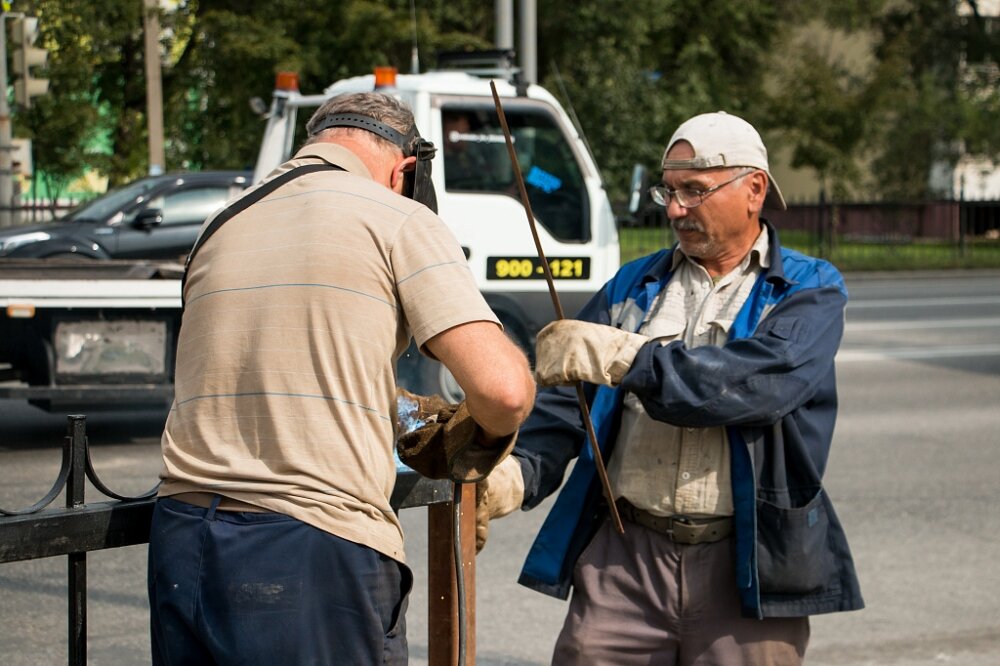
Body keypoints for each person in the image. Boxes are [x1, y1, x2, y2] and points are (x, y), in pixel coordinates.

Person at [147, 91, 535, 665]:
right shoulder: (397, 217)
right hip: (309, 546)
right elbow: (504, 390)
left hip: (183, 537)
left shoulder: (222, 222)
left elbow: (267, 357)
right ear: (405, 168)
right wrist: (479, 440)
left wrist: (384, 403)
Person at [476, 111, 864, 665]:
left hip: (746, 563)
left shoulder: (807, 288)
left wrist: (628, 356)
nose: (677, 208)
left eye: (695, 191)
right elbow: (569, 405)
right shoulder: (634, 286)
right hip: (625, 558)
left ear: (754, 190)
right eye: (670, 190)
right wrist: (516, 475)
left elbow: (754, 385)